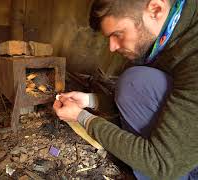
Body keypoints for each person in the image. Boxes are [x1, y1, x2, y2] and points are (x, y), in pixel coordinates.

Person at [53, 0, 198, 179]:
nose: (112, 47)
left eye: (118, 34)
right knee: (134, 81)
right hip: (185, 147)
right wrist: (90, 101)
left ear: (155, 9)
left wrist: (81, 117)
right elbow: (145, 101)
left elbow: (161, 164)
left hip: (176, 164)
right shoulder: (162, 38)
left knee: (134, 80)